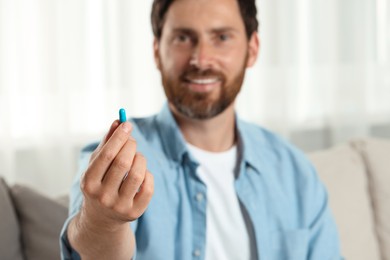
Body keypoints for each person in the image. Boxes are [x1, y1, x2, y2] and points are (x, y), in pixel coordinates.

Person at [60, 0, 343, 259]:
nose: (201, 59)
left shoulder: (295, 171)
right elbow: (89, 246)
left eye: (221, 37)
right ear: (157, 51)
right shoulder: (114, 163)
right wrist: (103, 223)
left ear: (252, 49)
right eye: (183, 38)